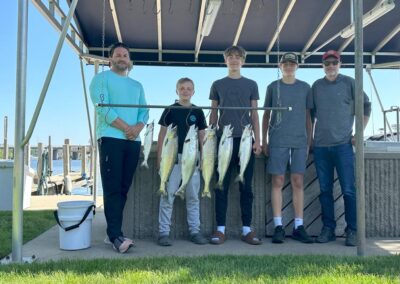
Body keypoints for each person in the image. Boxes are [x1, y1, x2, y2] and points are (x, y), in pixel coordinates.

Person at [89, 42, 149, 253]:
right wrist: (127, 128)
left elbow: (145, 111)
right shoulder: (101, 79)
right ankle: (115, 237)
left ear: (129, 60)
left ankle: (112, 232)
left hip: (133, 142)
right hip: (111, 138)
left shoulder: (137, 86)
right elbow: (103, 109)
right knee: (112, 188)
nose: (122, 58)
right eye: (118, 55)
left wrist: (137, 128)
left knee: (123, 188)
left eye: (125, 55)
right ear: (110, 59)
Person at [312, 50, 371, 246]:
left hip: (344, 146)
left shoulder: (350, 83)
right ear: (323, 66)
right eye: (327, 63)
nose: (330, 66)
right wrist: (309, 140)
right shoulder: (317, 86)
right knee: (324, 190)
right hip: (320, 147)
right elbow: (310, 115)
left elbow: (366, 106)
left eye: (333, 62)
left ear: (340, 64)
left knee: (348, 190)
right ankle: (328, 229)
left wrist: (358, 134)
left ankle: (352, 230)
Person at [209, 45, 262, 245]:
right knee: (220, 184)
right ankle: (220, 229)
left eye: (237, 57)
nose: (233, 60)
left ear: (243, 61)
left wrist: (259, 141)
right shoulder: (217, 84)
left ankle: (247, 229)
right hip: (223, 140)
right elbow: (213, 113)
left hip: (246, 140)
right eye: (230, 56)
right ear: (225, 61)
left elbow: (255, 114)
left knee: (246, 186)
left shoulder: (252, 84)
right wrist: (210, 137)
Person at [262, 52, 314, 244]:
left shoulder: (305, 88)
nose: (289, 66)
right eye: (285, 63)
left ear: (297, 66)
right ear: (280, 66)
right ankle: (278, 225)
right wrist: (264, 141)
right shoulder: (272, 87)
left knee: (298, 180)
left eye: (292, 63)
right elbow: (265, 115)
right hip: (277, 140)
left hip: (300, 141)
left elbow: (309, 117)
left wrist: (309, 141)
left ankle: (298, 226)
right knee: (277, 180)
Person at [157, 77, 208, 246]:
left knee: (193, 197)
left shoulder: (198, 111)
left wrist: (203, 158)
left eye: (188, 88)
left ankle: (195, 231)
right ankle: (163, 233)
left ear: (193, 92)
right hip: (172, 160)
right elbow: (162, 134)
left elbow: (202, 136)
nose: (185, 91)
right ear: (177, 91)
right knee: (167, 196)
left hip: (192, 160)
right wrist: (159, 159)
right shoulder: (170, 110)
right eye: (182, 88)